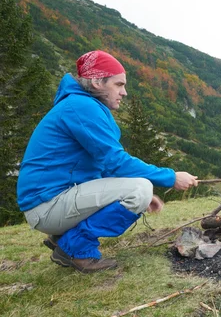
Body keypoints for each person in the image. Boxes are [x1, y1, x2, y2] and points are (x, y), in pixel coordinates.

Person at [17, 50, 199, 273]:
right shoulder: (81, 107)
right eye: (118, 84)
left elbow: (100, 166)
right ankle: (75, 248)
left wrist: (133, 193)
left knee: (140, 190)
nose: (124, 92)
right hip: (47, 206)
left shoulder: (80, 106)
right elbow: (116, 162)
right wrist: (170, 177)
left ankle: (64, 239)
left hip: (50, 203)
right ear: (96, 82)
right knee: (140, 187)